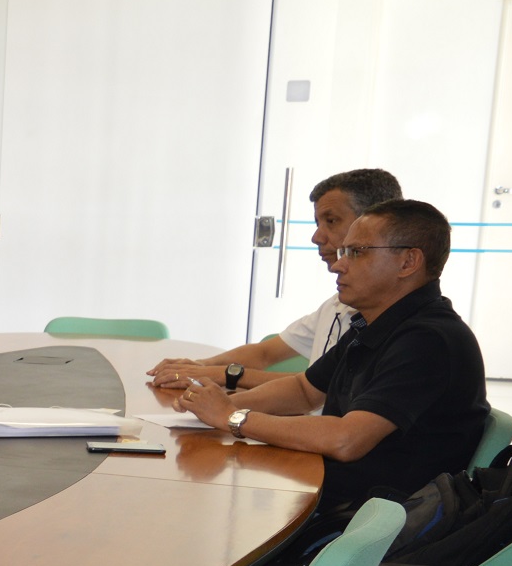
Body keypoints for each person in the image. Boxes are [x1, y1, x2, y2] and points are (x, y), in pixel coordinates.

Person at [177, 200, 487, 517]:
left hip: (371, 518)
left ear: (408, 262)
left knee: (195, 506)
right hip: (336, 493)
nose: (339, 265)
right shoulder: (377, 323)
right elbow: (303, 390)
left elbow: (346, 439)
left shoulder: (427, 341)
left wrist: (233, 419)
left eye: (356, 252)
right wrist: (212, 406)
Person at [149, 167, 403, 393]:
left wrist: (222, 377)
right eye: (318, 222)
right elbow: (265, 353)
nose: (316, 237)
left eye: (331, 221)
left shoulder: (398, 321)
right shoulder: (335, 305)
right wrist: (199, 366)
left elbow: (313, 388)